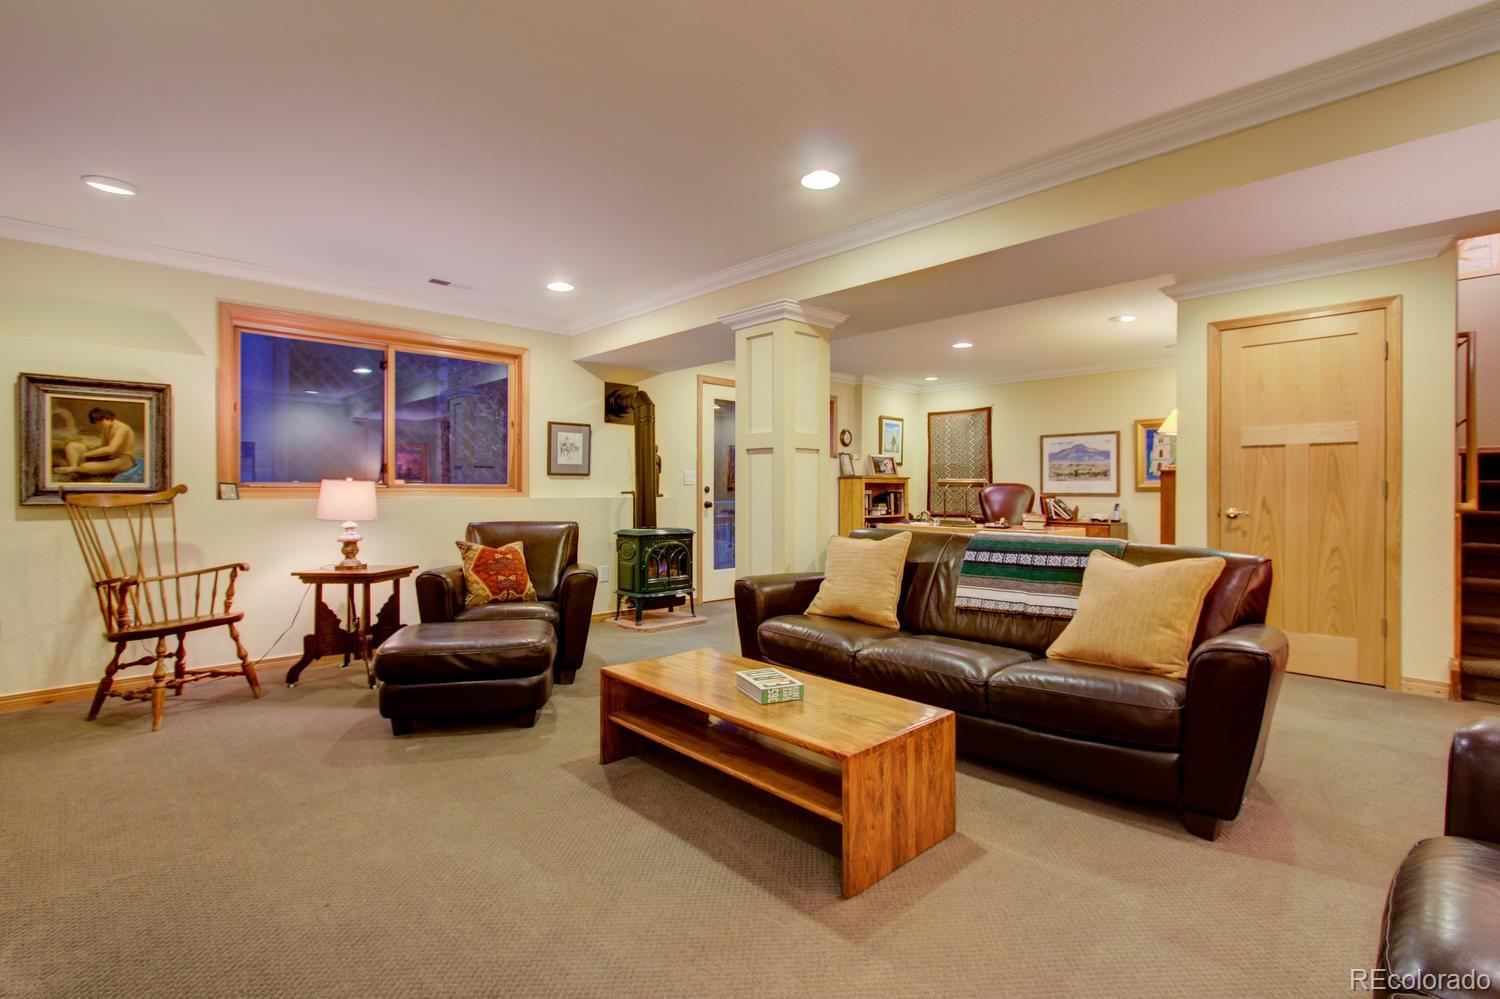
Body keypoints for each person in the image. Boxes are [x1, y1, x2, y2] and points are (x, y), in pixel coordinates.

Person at [55, 407, 138, 478]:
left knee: (86, 467)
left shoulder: (122, 429)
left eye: (100, 422)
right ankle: (73, 467)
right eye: (97, 423)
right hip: (109, 456)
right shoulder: (106, 427)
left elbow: (111, 449)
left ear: (107, 418)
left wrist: (86, 454)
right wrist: (95, 446)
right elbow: (104, 445)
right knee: (72, 446)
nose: (99, 425)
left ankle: (75, 469)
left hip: (123, 460)